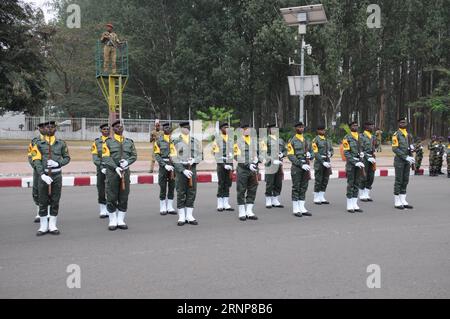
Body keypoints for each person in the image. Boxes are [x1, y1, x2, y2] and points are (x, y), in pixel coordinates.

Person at [31, 121, 71, 236]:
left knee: (55, 200)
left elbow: (67, 158)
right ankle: (43, 226)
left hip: (56, 175)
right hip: (43, 176)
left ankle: (52, 225)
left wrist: (57, 163)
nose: (49, 129)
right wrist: (42, 174)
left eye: (52, 127)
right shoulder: (38, 143)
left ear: (55, 129)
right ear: (45, 129)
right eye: (48, 127)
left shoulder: (61, 144)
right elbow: (36, 160)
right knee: (42, 200)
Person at [102, 120, 137, 231]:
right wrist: (115, 167)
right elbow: (106, 157)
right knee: (111, 196)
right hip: (112, 173)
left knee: (124, 195)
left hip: (125, 172)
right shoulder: (108, 142)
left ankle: (121, 219)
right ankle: (112, 220)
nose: (119, 128)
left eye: (121, 126)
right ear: (113, 129)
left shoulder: (129, 142)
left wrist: (127, 162)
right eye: (116, 127)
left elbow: (134, 155)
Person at [170, 121, 203, 226]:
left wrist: (194, 160)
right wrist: (182, 170)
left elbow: (200, 155)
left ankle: (189, 215)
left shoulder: (195, 141)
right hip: (181, 171)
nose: (187, 129)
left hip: (192, 169)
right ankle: (181, 216)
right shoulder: (175, 141)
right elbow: (173, 157)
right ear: (181, 129)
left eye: (188, 127)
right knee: (181, 192)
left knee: (192, 191)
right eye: (184, 127)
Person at [234, 124, 260, 221]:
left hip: (253, 169)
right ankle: (242, 211)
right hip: (243, 169)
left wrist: (258, 159)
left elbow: (260, 153)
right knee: (241, 190)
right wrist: (248, 164)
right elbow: (237, 157)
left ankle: (249, 211)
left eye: (249, 129)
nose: (248, 131)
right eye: (246, 130)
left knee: (252, 189)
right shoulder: (238, 143)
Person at [287, 122, 312, 217]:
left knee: (304, 187)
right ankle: (295, 208)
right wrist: (300, 164)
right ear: (295, 128)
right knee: (296, 187)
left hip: (306, 165)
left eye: (302, 127)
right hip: (297, 167)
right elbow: (290, 155)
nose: (301, 129)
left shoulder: (306, 140)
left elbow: (312, 152)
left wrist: (310, 155)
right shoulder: (292, 141)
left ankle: (302, 207)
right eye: (299, 127)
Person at [392, 118, 415, 210]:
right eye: (401, 122)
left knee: (405, 180)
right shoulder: (396, 135)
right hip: (399, 161)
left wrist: (412, 148)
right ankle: (397, 201)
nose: (403, 124)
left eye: (404, 122)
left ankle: (403, 200)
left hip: (407, 161)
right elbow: (395, 149)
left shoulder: (408, 135)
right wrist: (405, 156)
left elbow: (411, 147)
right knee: (399, 180)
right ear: (398, 124)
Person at [154, 122, 176, 215]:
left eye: (169, 127)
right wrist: (164, 165)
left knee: (172, 185)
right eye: (166, 127)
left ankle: (170, 206)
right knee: (162, 186)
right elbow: (157, 155)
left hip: (174, 165)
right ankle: (163, 206)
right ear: (163, 130)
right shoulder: (159, 140)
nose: (168, 129)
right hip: (164, 166)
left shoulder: (175, 140)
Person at [342, 121, 364, 213]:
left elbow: (362, 148)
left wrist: (362, 155)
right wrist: (355, 162)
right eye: (353, 126)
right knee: (351, 183)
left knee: (357, 183)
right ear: (350, 127)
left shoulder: (360, 137)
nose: (355, 127)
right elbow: (346, 153)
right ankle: (349, 204)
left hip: (359, 162)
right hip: (351, 164)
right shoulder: (347, 138)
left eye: (356, 125)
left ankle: (355, 203)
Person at [212, 123, 235, 212]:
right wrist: (223, 164)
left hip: (230, 162)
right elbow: (216, 153)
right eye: (225, 127)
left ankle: (226, 203)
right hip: (221, 164)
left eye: (228, 127)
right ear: (221, 129)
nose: (227, 129)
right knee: (221, 183)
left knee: (228, 183)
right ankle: (220, 203)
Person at [262, 124, 286, 209]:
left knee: (278, 182)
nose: (275, 131)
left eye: (276, 129)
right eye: (273, 129)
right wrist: (272, 159)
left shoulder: (281, 140)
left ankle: (275, 199)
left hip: (279, 164)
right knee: (270, 182)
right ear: (269, 130)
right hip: (270, 165)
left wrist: (283, 154)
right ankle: (268, 200)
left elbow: (285, 150)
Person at [28, 122, 48, 223]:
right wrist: (36, 167)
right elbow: (31, 156)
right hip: (38, 170)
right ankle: (39, 212)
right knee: (37, 191)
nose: (44, 129)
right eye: (41, 127)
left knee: (49, 191)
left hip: (50, 170)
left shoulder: (53, 141)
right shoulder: (34, 141)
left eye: (45, 127)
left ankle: (48, 212)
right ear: (39, 129)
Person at [311, 124, 333, 205]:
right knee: (318, 180)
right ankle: (316, 197)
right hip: (319, 163)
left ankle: (322, 196)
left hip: (327, 160)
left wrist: (331, 154)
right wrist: (322, 162)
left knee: (325, 179)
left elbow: (331, 149)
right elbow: (315, 152)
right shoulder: (315, 140)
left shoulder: (328, 140)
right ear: (318, 131)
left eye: (324, 130)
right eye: (321, 130)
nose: (323, 131)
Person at [91, 124, 110, 219]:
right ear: (101, 131)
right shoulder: (96, 142)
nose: (106, 130)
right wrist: (101, 166)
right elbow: (95, 157)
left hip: (111, 168)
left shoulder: (113, 141)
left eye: (108, 129)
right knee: (101, 187)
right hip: (101, 168)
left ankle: (111, 208)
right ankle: (103, 208)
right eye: (104, 129)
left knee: (111, 188)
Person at [358, 121, 377, 202]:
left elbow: (374, 147)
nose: (372, 127)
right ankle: (361, 194)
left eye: (373, 125)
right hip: (364, 158)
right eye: (371, 126)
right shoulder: (361, 136)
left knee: (371, 176)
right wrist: (366, 156)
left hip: (372, 157)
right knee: (363, 176)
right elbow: (360, 148)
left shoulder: (373, 137)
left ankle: (366, 194)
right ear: (366, 127)